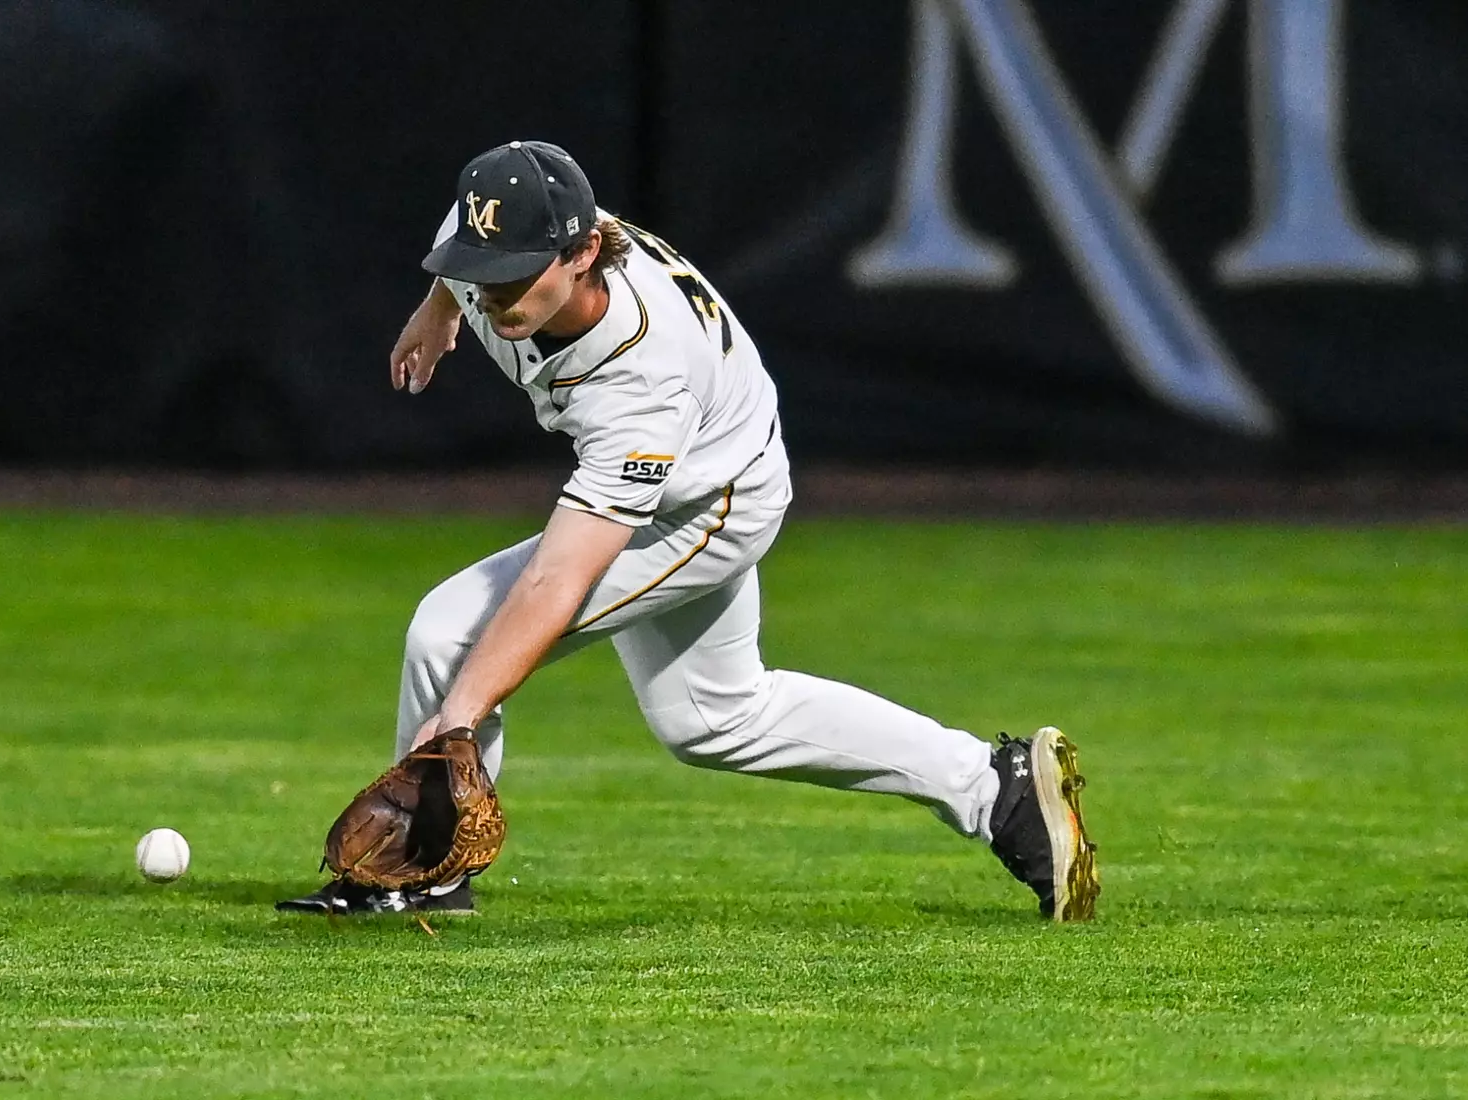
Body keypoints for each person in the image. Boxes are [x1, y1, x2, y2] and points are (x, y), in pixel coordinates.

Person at [278, 141, 1098, 921]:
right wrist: (437, 309)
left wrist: (456, 717)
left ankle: (426, 877)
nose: (491, 294)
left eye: (512, 278)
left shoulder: (641, 376)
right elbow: (466, 257)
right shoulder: (498, 229)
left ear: (585, 252)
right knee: (715, 719)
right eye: (474, 274)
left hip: (708, 504)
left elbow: (557, 580)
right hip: (712, 459)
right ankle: (998, 791)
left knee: (452, 641)